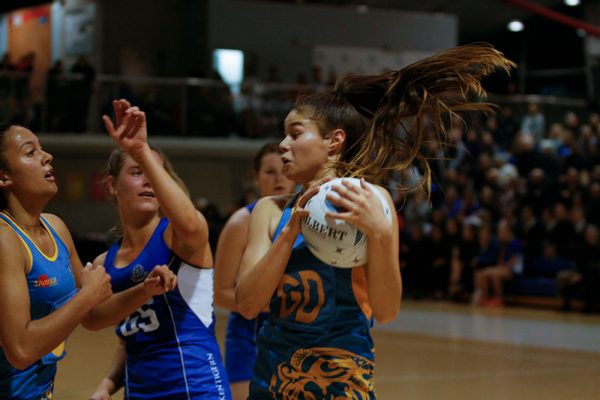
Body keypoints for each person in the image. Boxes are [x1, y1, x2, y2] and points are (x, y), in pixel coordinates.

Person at [235, 43, 515, 398]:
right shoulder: (270, 210)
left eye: (294, 133)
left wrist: (381, 236)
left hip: (344, 383)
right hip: (274, 382)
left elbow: (386, 310)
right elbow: (246, 304)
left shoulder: (373, 201)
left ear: (333, 141)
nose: (282, 145)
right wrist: (289, 234)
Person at [0, 123, 176, 399]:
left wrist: (144, 290)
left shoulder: (55, 227)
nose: (47, 156)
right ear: (4, 176)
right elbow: (21, 350)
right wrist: (87, 296)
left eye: (42, 148)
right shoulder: (4, 239)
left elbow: (93, 314)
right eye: (30, 152)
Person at [89, 99, 231, 400]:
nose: (149, 182)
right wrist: (107, 384)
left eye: (154, 174)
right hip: (139, 390)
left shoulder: (176, 236)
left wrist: (140, 149)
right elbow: (112, 327)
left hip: (195, 386)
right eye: (137, 172)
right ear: (112, 186)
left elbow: (194, 226)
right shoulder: (106, 261)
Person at [214, 142, 295, 400]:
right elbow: (219, 293)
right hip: (248, 339)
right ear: (256, 178)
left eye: (284, 169)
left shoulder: (306, 217)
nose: (279, 178)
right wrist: (267, 303)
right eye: (269, 172)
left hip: (295, 337)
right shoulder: (241, 222)